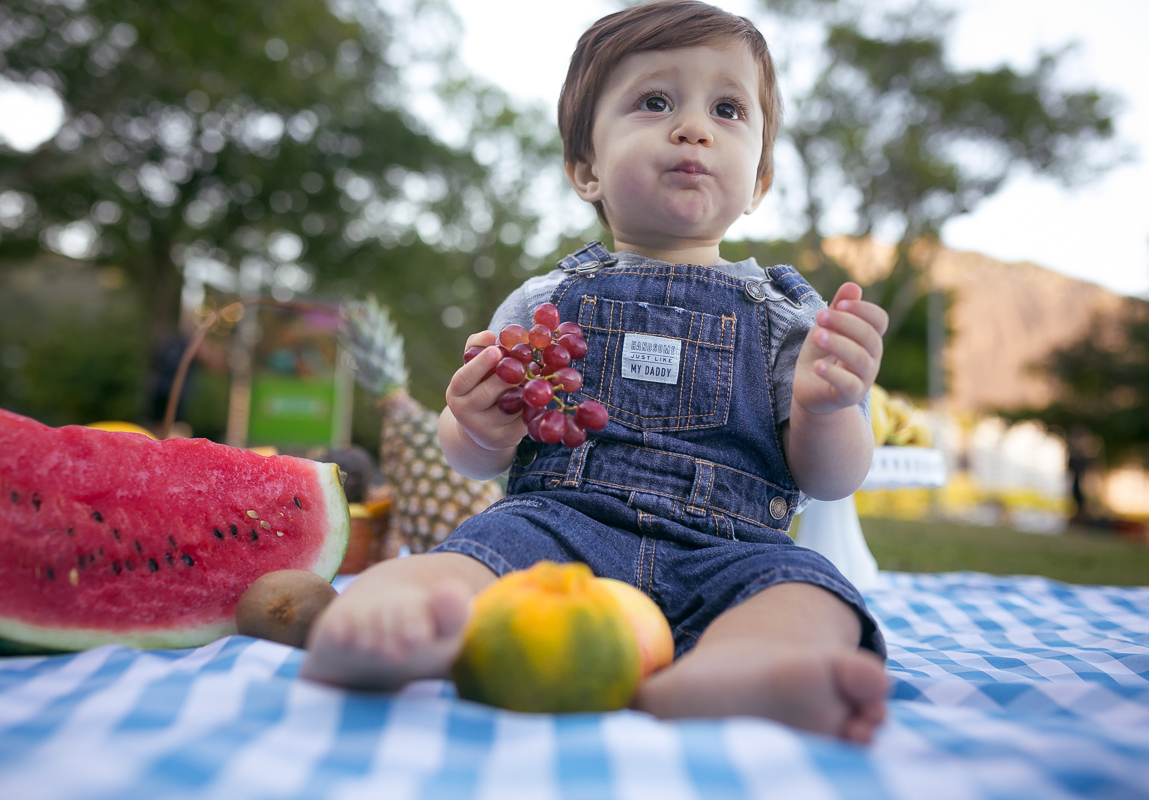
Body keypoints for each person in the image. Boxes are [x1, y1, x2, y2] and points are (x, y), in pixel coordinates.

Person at [304, 0, 891, 743]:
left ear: (760, 182)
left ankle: (740, 669)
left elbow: (833, 480)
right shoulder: (547, 300)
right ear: (586, 168)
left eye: (728, 109)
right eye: (654, 102)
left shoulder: (790, 321)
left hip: (732, 550)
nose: (693, 127)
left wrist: (827, 408)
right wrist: (476, 426)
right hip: (558, 530)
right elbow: (475, 456)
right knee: (468, 557)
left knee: (816, 596)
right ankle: (396, 621)